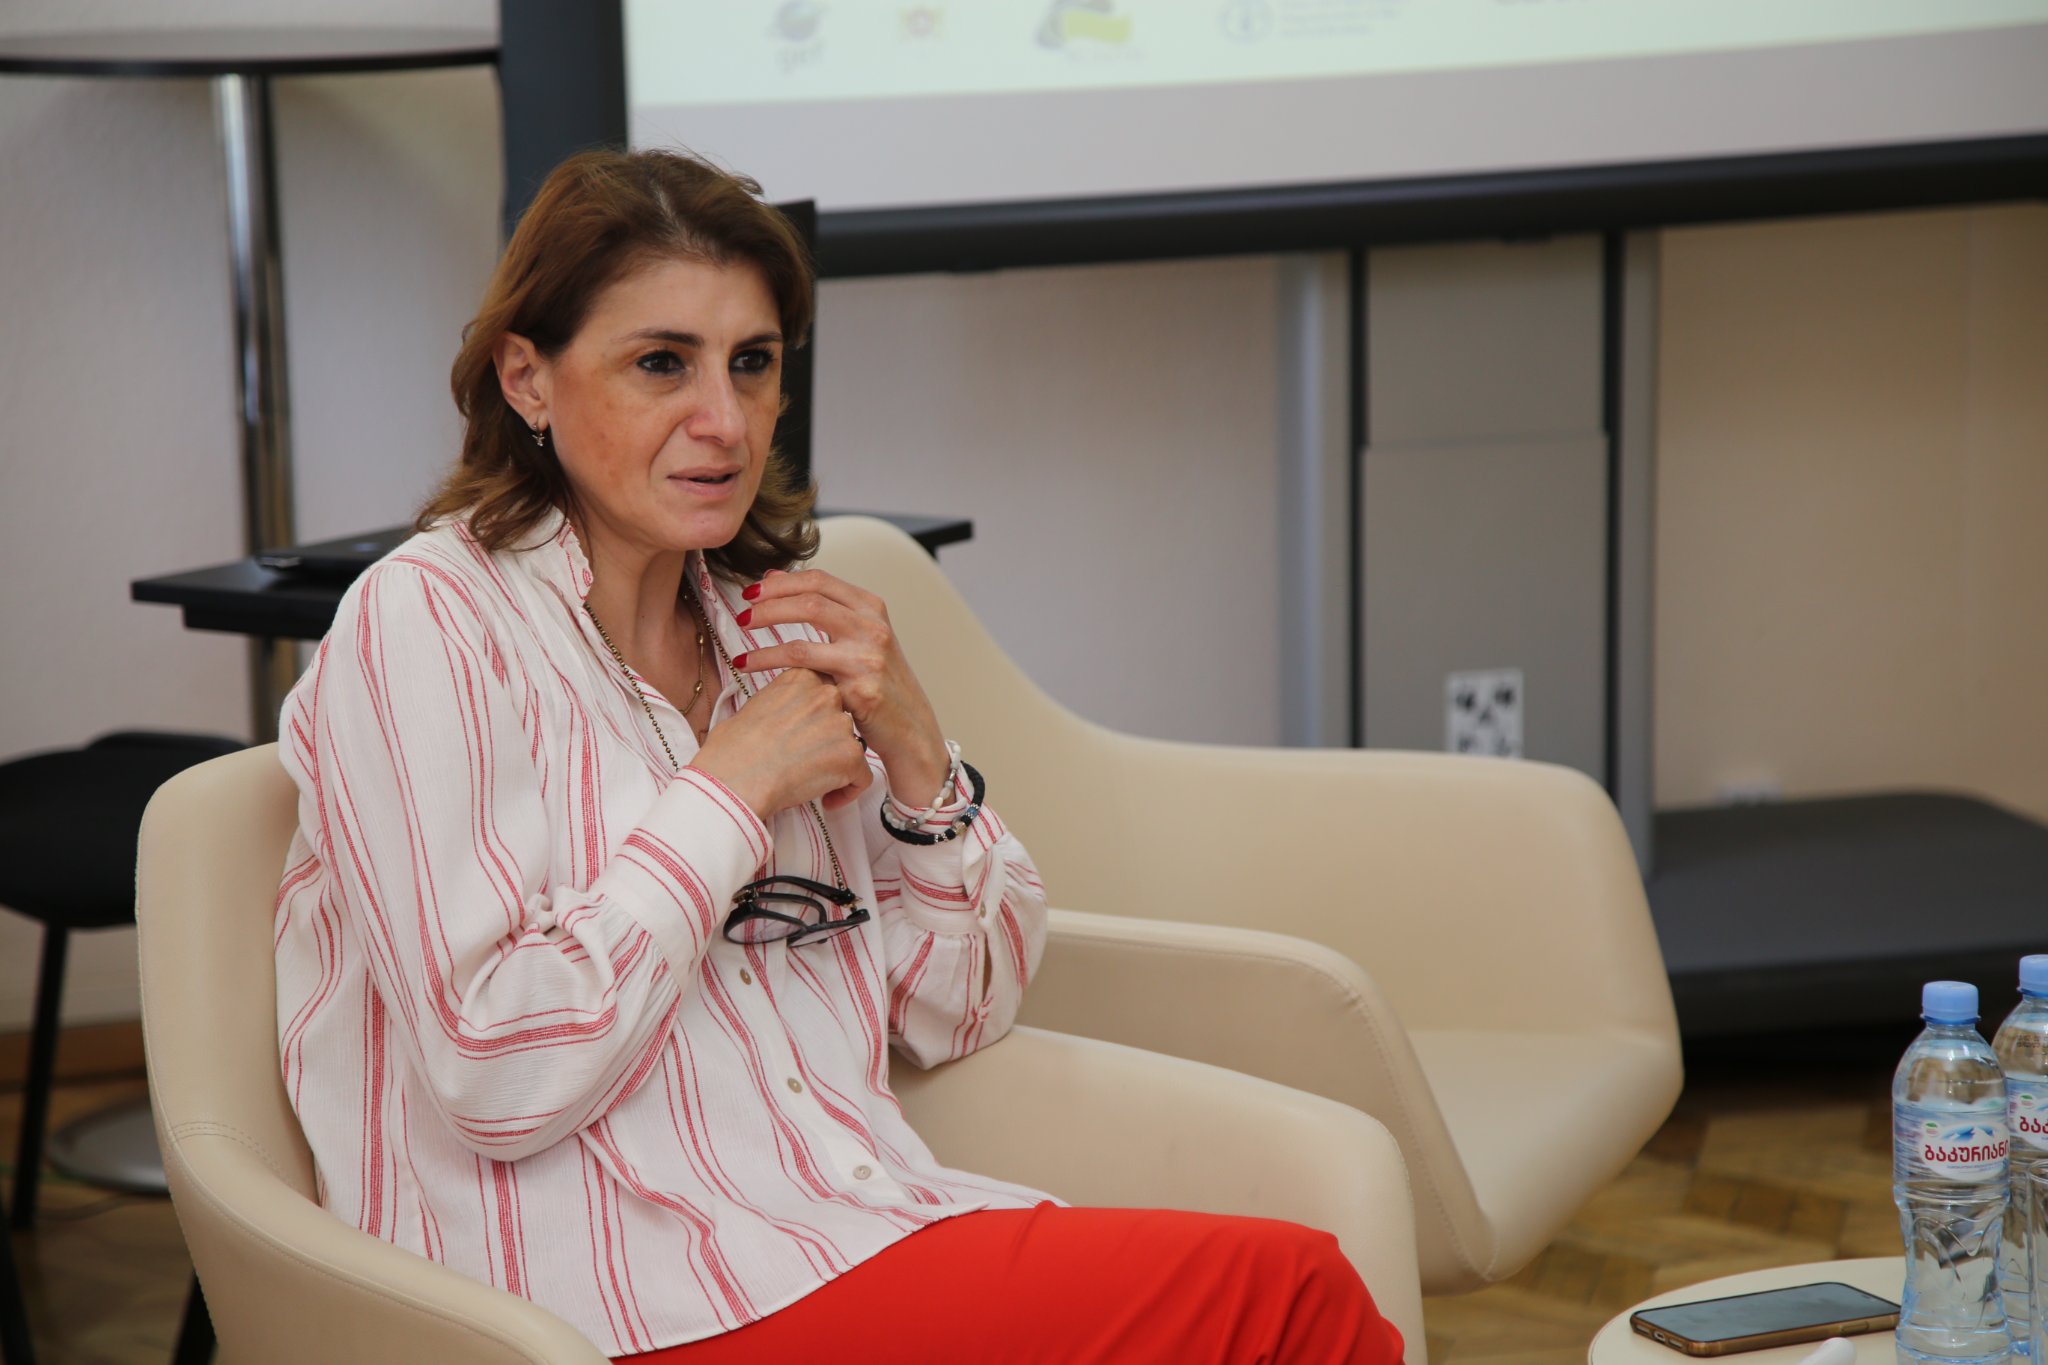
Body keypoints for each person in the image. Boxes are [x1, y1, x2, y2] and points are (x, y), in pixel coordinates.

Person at [272, 148, 1405, 1364]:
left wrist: (914, 750)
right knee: (1291, 1300)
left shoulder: (764, 636)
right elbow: (492, 1068)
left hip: (839, 1230)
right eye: (661, 363)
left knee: (1290, 1293)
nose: (724, 422)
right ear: (527, 378)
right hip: (600, 1311)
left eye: (752, 364)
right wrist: (729, 793)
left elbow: (958, 1010)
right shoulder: (426, 621)